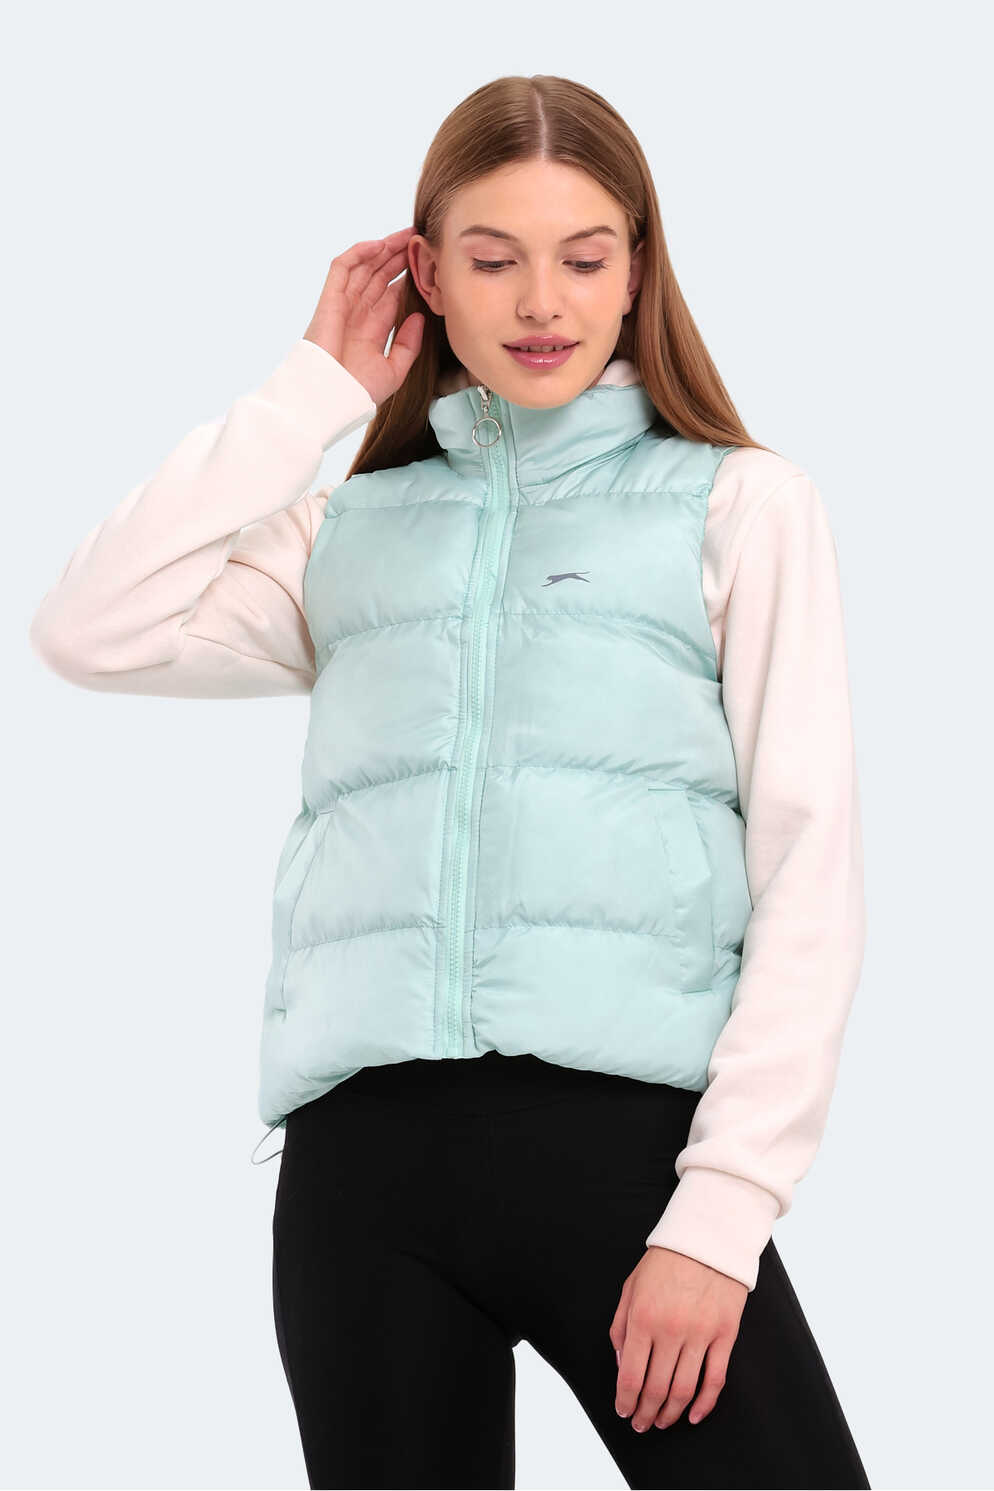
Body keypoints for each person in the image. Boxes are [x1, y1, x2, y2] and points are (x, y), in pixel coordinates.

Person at [28, 74, 870, 1491]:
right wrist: (311, 391)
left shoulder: (737, 503)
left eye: (583, 258)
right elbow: (88, 628)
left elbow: (809, 867)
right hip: (363, 1179)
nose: (540, 301)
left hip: (626, 1161)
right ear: (426, 273)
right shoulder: (347, 529)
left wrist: (721, 1216)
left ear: (637, 269)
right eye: (491, 259)